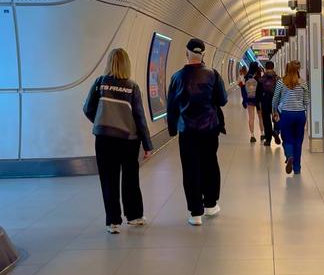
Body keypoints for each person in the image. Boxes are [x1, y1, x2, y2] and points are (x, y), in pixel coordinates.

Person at [83, 48, 153, 234]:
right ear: (126, 64)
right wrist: (147, 145)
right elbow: (139, 117)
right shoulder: (132, 87)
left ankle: (113, 222)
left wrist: (101, 121)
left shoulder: (100, 83)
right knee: (130, 178)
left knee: (109, 179)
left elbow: (87, 108)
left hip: (104, 139)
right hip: (128, 141)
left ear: (109, 63)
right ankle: (134, 216)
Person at [167, 37, 227, 226]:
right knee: (210, 163)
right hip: (210, 128)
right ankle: (210, 204)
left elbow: (171, 107)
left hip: (187, 130)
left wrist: (172, 129)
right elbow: (223, 100)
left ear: (186, 53)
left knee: (191, 168)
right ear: (203, 55)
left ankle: (195, 212)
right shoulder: (213, 74)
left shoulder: (177, 77)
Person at [272, 60, 310, 175]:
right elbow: (307, 101)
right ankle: (297, 168)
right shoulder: (303, 82)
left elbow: (275, 99)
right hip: (299, 115)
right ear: (297, 69)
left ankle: (289, 156)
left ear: (287, 69)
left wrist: (274, 111)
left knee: (287, 138)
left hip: (286, 114)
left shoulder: (281, 82)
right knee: (298, 141)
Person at [258, 61, 281, 146]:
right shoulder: (278, 79)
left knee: (266, 121)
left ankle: (268, 140)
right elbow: (281, 92)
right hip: (276, 102)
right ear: (273, 67)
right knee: (276, 118)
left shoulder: (261, 79)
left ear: (265, 68)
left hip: (265, 102)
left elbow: (258, 93)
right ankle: (276, 131)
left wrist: (258, 105)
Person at [242, 61, 264, 143]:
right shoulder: (259, 76)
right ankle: (262, 134)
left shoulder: (247, 76)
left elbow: (244, 89)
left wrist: (244, 100)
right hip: (259, 99)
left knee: (251, 117)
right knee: (260, 117)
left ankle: (252, 135)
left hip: (250, 99)